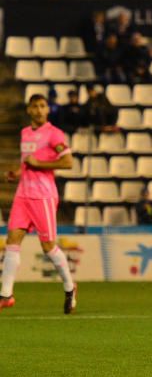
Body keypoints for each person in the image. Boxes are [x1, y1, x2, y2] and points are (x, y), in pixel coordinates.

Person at [0, 94, 78, 314]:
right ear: (28, 110)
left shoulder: (54, 134)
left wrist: (39, 163)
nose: (39, 110)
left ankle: (70, 287)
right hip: (22, 194)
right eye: (35, 106)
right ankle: (6, 294)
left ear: (47, 110)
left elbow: (68, 162)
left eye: (43, 106)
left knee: (48, 246)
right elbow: (27, 161)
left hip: (43, 196)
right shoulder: (25, 133)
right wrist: (17, 172)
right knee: (12, 240)